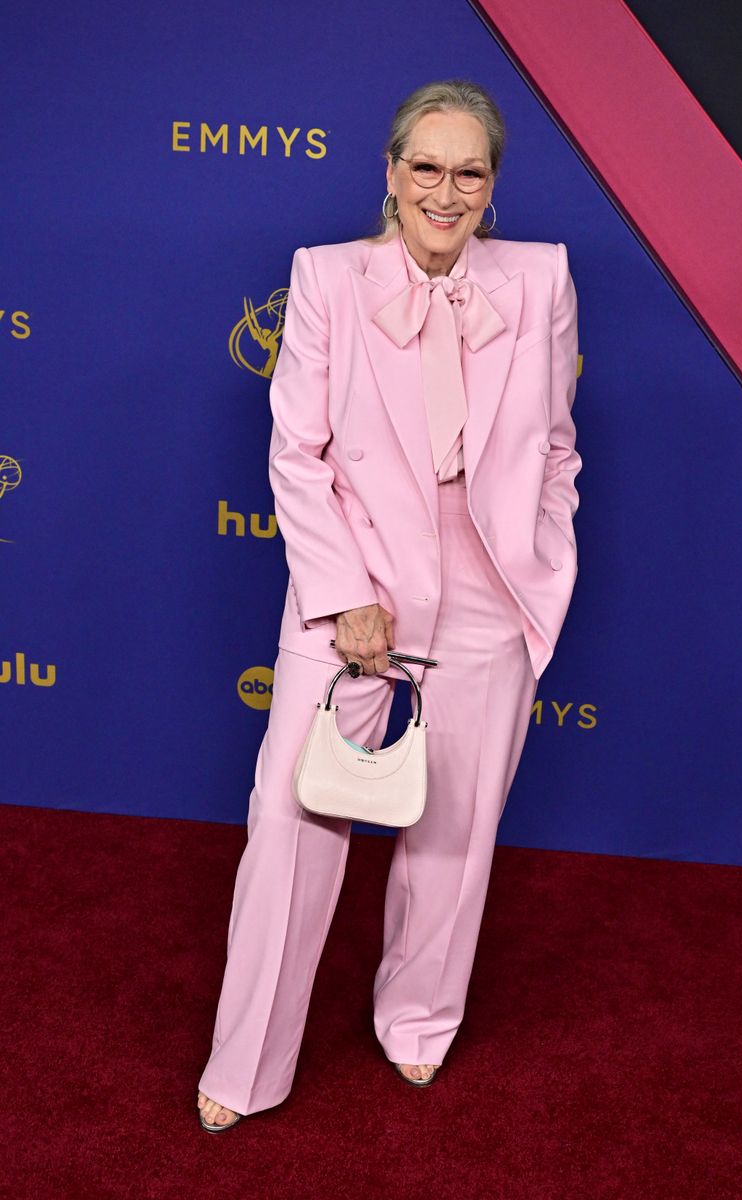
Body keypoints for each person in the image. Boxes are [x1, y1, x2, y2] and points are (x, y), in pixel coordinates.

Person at [196, 77, 582, 1132]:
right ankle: (247, 1065)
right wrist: (342, 595)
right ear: (390, 172)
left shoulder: (540, 279)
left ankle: (417, 1020)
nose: (445, 192)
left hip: (488, 582)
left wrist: (540, 552)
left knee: (455, 824)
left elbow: (554, 444)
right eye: (426, 167)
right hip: (353, 574)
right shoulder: (325, 277)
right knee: (292, 813)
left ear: (491, 184)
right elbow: (297, 456)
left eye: (468, 172)